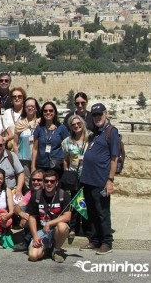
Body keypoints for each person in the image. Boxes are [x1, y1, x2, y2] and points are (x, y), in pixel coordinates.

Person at [79, 103, 119, 255]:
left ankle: (107, 242)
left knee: (102, 212)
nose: (97, 117)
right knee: (92, 212)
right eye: (94, 115)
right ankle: (95, 240)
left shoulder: (111, 132)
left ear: (106, 114)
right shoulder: (95, 133)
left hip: (101, 180)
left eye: (99, 114)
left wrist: (110, 180)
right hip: (88, 179)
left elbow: (114, 158)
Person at [26, 170, 71, 263]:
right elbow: (32, 217)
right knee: (33, 256)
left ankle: (56, 250)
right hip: (41, 231)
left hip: (56, 230)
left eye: (52, 181)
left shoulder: (63, 195)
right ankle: (48, 248)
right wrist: (35, 236)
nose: (49, 184)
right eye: (46, 181)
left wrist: (50, 223)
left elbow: (67, 216)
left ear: (56, 183)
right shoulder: (36, 195)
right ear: (43, 182)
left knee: (62, 226)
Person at [62, 115, 91, 243]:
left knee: (87, 201)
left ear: (82, 123)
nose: (76, 126)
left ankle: (87, 228)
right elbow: (65, 159)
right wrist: (66, 174)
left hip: (89, 175)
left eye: (78, 123)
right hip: (74, 175)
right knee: (74, 201)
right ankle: (73, 227)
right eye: (73, 124)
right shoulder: (67, 142)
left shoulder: (90, 138)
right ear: (70, 127)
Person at [12, 169, 45, 252]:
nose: (36, 182)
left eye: (39, 180)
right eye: (34, 180)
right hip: (34, 219)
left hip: (46, 220)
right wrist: (22, 214)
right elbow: (17, 207)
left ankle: (27, 242)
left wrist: (28, 217)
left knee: (30, 219)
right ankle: (29, 240)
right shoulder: (30, 193)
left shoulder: (47, 192)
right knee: (23, 210)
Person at [31, 102, 69, 175]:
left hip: (57, 166)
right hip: (41, 164)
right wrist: (33, 166)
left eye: (51, 110)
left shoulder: (62, 128)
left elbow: (67, 149)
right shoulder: (39, 128)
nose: (48, 113)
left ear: (55, 112)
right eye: (45, 111)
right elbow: (35, 149)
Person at [14, 97, 41, 188]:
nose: (30, 108)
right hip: (23, 159)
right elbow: (15, 143)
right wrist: (17, 158)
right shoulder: (20, 124)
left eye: (32, 106)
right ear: (24, 108)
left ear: (36, 108)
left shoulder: (41, 123)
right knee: (26, 184)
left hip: (38, 159)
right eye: (27, 106)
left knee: (38, 183)